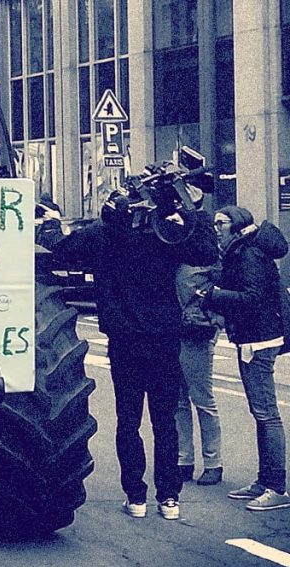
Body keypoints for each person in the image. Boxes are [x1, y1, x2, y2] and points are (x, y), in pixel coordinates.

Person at [50, 191, 217, 520]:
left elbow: (62, 250)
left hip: (125, 339)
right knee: (165, 421)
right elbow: (206, 251)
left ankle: (135, 497)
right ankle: (169, 498)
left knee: (128, 421)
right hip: (165, 338)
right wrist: (189, 211)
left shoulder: (104, 236)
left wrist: (52, 224)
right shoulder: (164, 235)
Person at [203, 205, 290, 511]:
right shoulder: (243, 250)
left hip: (259, 339)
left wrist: (212, 295)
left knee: (267, 414)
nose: (216, 228)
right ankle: (264, 482)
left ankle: (276, 487)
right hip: (253, 336)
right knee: (260, 412)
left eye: (221, 223)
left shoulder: (249, 254)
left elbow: (252, 298)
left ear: (237, 225)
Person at [174, 202, 224, 486]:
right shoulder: (184, 259)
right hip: (178, 331)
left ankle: (212, 462)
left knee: (202, 399)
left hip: (195, 333)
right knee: (180, 400)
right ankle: (185, 460)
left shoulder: (207, 262)